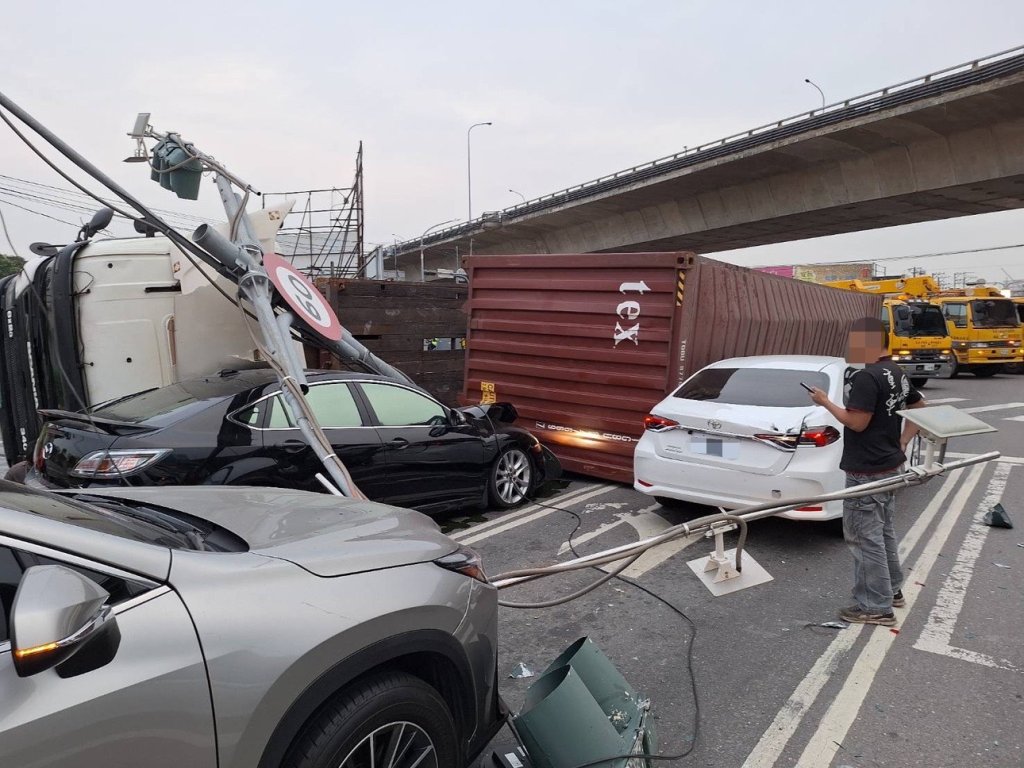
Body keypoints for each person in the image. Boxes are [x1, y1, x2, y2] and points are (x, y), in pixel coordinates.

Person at [808, 317, 927, 626]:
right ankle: (892, 591)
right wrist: (901, 441)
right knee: (883, 531)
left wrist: (825, 402)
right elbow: (920, 407)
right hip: (890, 463)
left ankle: (875, 605)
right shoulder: (897, 372)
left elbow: (856, 422)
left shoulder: (866, 377)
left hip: (866, 470)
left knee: (864, 538)